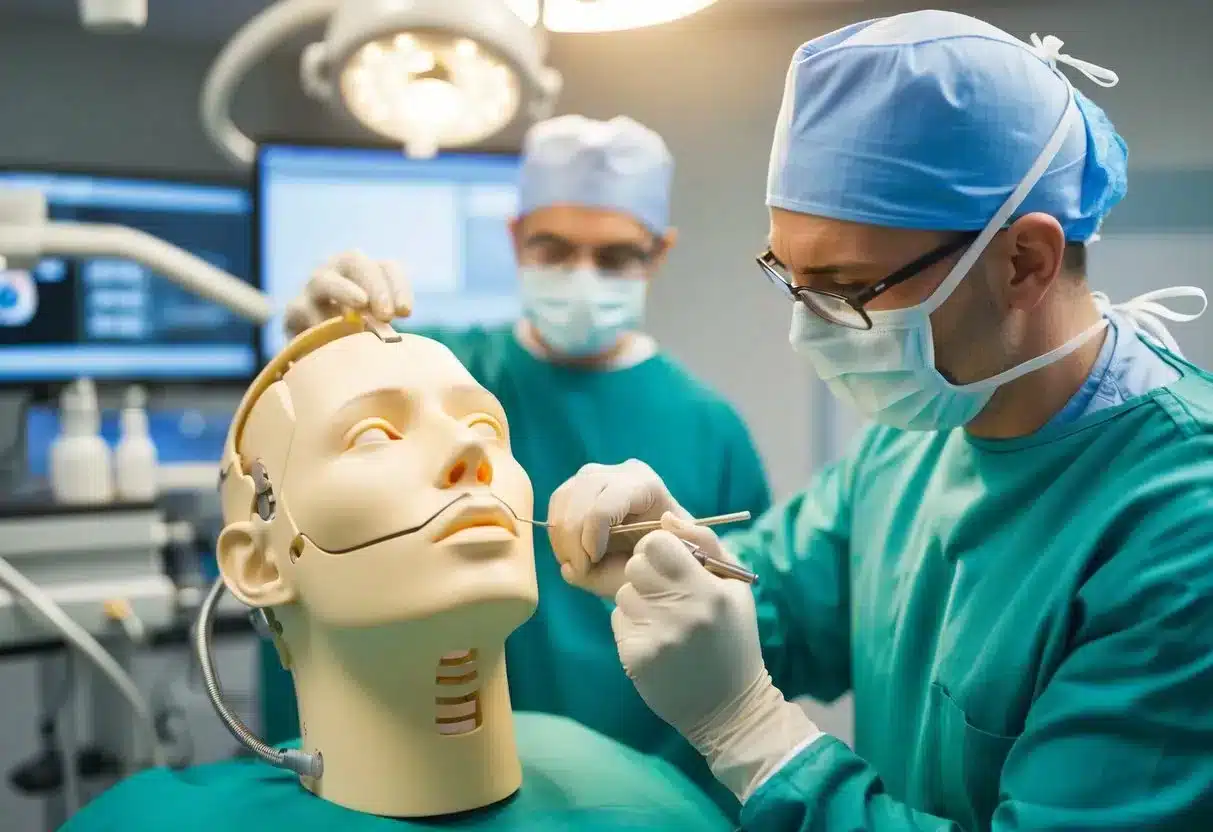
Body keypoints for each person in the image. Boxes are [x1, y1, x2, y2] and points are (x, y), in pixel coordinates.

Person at [545, 11, 1213, 832]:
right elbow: (781, 601)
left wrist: (754, 735)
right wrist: (673, 557)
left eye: (846, 287)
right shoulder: (924, 424)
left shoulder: (1182, 529)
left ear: (1023, 262)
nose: (806, 327)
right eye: (787, 276)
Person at [274, 114, 771, 815]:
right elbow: (282, 491)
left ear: (658, 253)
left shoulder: (710, 430)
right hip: (409, 781)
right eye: (555, 247)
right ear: (515, 239)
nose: (582, 275)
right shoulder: (434, 374)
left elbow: (748, 636)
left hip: (638, 804)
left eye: (615, 257)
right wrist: (317, 358)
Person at [60, 315, 733, 831]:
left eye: (485, 426)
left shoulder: (643, 795)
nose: (471, 450)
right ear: (260, 563)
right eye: (375, 436)